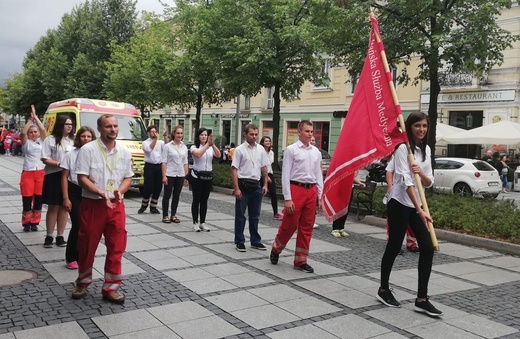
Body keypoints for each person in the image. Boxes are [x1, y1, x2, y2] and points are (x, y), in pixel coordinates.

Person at [377, 112, 442, 317]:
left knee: (428, 247)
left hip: (417, 204)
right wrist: (420, 210)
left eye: (424, 126)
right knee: (395, 245)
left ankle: (422, 299)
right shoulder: (403, 149)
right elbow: (406, 183)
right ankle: (383, 289)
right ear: (409, 127)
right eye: (417, 126)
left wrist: (420, 172)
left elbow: (429, 181)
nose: (421, 129)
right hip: (399, 202)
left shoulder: (427, 149)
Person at [71, 114, 133, 304]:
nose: (113, 129)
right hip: (93, 204)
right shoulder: (88, 150)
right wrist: (100, 193)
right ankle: (82, 282)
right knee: (87, 245)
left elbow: (128, 177)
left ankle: (111, 288)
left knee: (116, 246)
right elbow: (81, 178)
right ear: (99, 129)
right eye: (108, 126)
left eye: (115, 126)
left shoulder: (124, 151)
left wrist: (119, 192)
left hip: (116, 205)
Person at [270, 120, 323, 273]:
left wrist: (320, 196)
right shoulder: (291, 150)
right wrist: (287, 198)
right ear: (299, 132)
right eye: (307, 131)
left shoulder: (316, 152)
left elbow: (318, 174)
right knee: (290, 224)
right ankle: (276, 248)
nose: (310, 134)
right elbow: (285, 174)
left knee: (307, 227)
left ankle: (301, 260)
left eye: (312, 131)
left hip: (311, 190)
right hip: (296, 189)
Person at [61, 126, 95, 270]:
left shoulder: (96, 153)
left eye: (89, 136)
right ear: (78, 138)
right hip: (74, 191)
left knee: (88, 227)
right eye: (83, 136)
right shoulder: (71, 154)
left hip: (90, 192)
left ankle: (82, 255)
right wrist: (65, 198)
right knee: (77, 224)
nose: (86, 139)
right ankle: (71, 256)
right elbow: (64, 177)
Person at [232, 125, 269, 252]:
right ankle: (239, 241)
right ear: (245, 134)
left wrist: (265, 184)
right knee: (241, 215)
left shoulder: (261, 149)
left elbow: (264, 168)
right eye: (251, 134)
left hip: (256, 185)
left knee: (255, 215)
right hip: (243, 184)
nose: (254, 136)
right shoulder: (239, 150)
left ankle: (255, 240)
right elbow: (234, 170)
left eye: (256, 134)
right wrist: (236, 188)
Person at [41, 115, 74, 248]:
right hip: (54, 175)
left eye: (71, 124)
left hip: (68, 176)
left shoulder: (73, 140)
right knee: (53, 206)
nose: (69, 126)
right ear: (60, 125)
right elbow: (44, 158)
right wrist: (59, 164)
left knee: (64, 207)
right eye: (67, 124)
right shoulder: (50, 139)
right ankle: (49, 235)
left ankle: (60, 236)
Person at [19, 105, 46, 232]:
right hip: (28, 172)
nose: (34, 133)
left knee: (38, 199)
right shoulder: (26, 143)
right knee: (27, 198)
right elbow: (23, 132)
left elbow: (43, 129)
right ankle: (26, 222)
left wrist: (36, 117)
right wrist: (30, 119)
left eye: (35, 132)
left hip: (40, 172)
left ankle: (35, 222)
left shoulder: (42, 141)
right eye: (32, 132)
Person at [385, 155, 420, 253]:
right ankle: (394, 244)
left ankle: (411, 243)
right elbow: (389, 171)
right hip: (399, 196)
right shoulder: (399, 154)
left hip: (416, 195)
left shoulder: (421, 153)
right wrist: (390, 186)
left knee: (413, 222)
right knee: (396, 222)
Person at [190, 127, 221, 232]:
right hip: (197, 176)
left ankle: (202, 222)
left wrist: (212, 144)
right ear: (198, 136)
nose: (204, 137)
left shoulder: (210, 147)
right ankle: (195, 222)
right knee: (196, 199)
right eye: (202, 135)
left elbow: (218, 155)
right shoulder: (194, 147)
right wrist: (207, 144)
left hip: (207, 176)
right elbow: (198, 155)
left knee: (204, 200)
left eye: (205, 135)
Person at [161, 126, 189, 224]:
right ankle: (165, 215)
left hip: (180, 174)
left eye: (181, 133)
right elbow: (164, 162)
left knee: (176, 195)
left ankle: (173, 214)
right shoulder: (167, 146)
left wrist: (186, 176)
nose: (180, 135)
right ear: (174, 134)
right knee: (167, 195)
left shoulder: (184, 147)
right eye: (178, 133)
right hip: (170, 173)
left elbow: (185, 162)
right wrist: (164, 176)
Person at [138, 125, 166, 214]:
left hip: (159, 166)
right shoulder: (145, 142)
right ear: (148, 133)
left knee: (158, 187)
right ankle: (144, 205)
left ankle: (153, 207)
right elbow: (149, 149)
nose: (154, 133)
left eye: (155, 131)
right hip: (149, 166)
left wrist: (165, 136)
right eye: (152, 131)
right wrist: (154, 139)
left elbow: (167, 146)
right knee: (148, 187)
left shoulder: (160, 142)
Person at [260, 136, 283, 221]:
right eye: (266, 141)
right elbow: (260, 165)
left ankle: (275, 213)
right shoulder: (260, 152)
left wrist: (269, 175)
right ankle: (254, 210)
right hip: (261, 174)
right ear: (262, 142)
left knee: (273, 193)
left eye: (269, 141)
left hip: (270, 173)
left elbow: (270, 165)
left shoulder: (271, 153)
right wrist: (266, 176)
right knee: (259, 194)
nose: (268, 142)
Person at [309, 136, 321, 229]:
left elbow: (319, 168)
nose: (312, 141)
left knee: (313, 205)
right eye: (311, 140)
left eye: (313, 140)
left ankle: (312, 220)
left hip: (313, 181)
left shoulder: (317, 152)